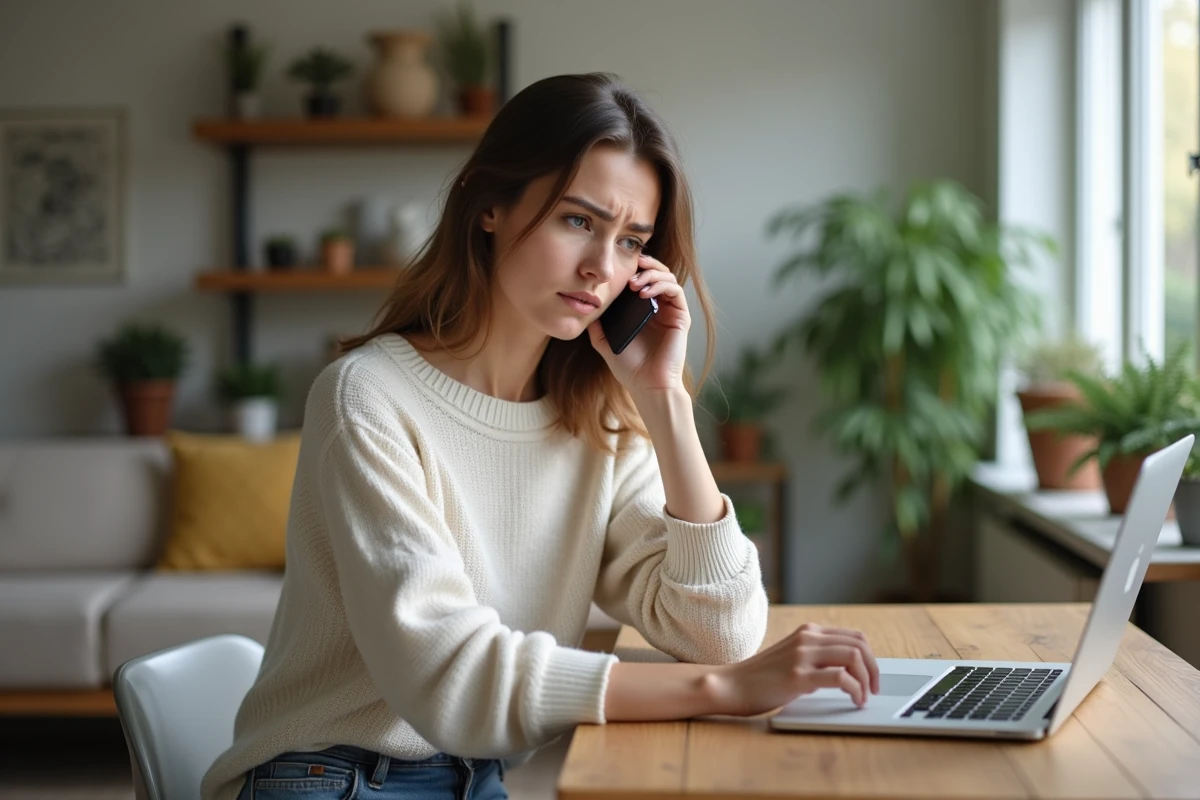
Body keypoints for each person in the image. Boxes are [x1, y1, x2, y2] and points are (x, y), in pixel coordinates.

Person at [201, 72, 880, 800]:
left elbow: (719, 631)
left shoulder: (599, 418)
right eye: (578, 221)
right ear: (488, 204)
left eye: (631, 242)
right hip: (329, 776)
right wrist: (720, 690)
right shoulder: (366, 397)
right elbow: (452, 677)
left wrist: (663, 405)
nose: (601, 268)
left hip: (474, 777)